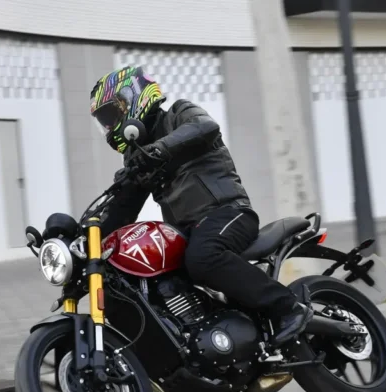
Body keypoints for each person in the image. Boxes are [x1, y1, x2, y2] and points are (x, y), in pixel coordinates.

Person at [89, 65, 312, 345]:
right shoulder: (137, 156)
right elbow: (123, 209)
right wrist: (82, 238)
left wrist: (161, 149)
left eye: (111, 115)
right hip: (187, 231)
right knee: (154, 277)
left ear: (134, 98)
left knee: (202, 258)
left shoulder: (179, 114)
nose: (110, 127)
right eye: (104, 121)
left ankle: (288, 307)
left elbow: (205, 127)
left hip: (228, 213)